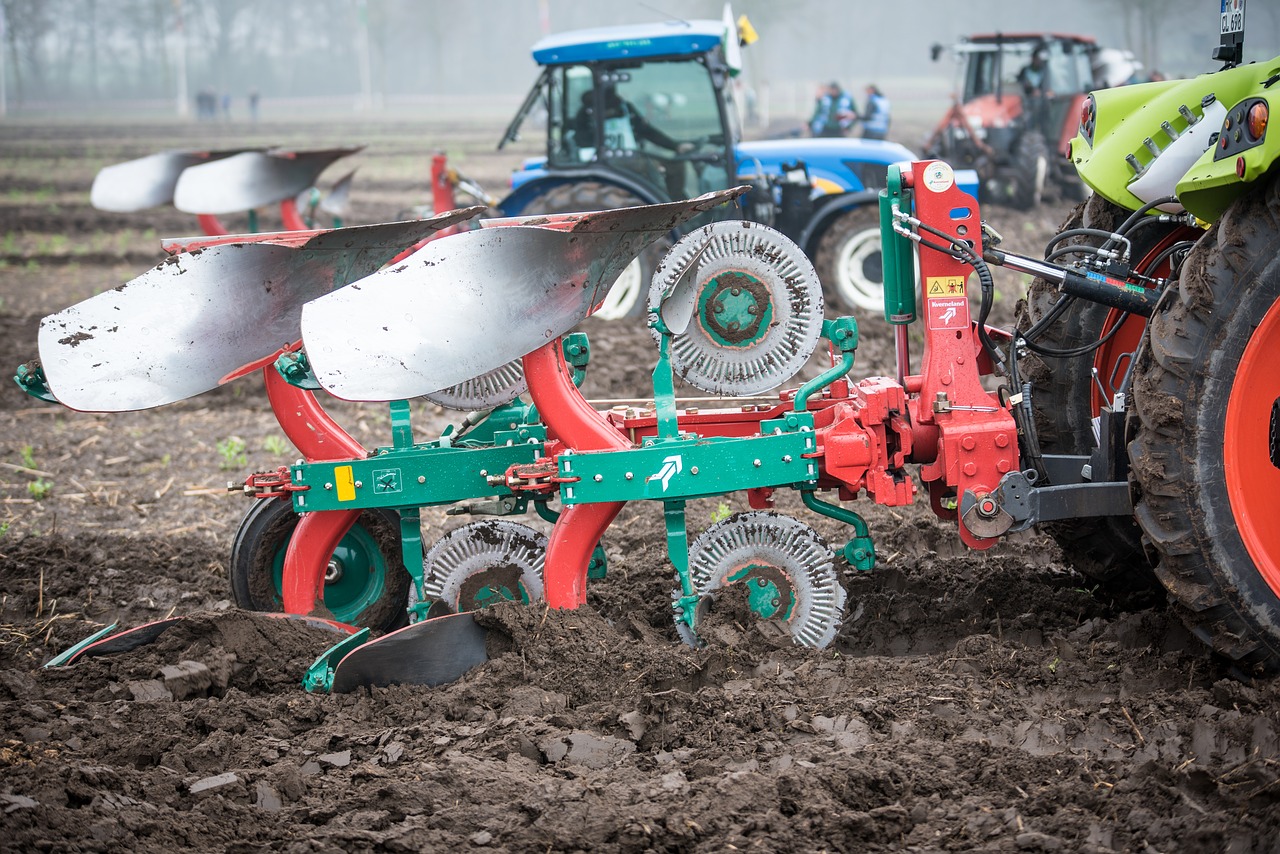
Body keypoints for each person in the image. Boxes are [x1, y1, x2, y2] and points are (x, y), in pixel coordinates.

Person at [572, 86, 695, 196]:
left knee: (675, 165)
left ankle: (673, 200)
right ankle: (660, 202)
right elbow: (581, 140)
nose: (611, 112)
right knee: (651, 169)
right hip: (599, 163)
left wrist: (675, 146)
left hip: (631, 157)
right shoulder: (585, 115)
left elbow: (647, 131)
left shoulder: (625, 109)